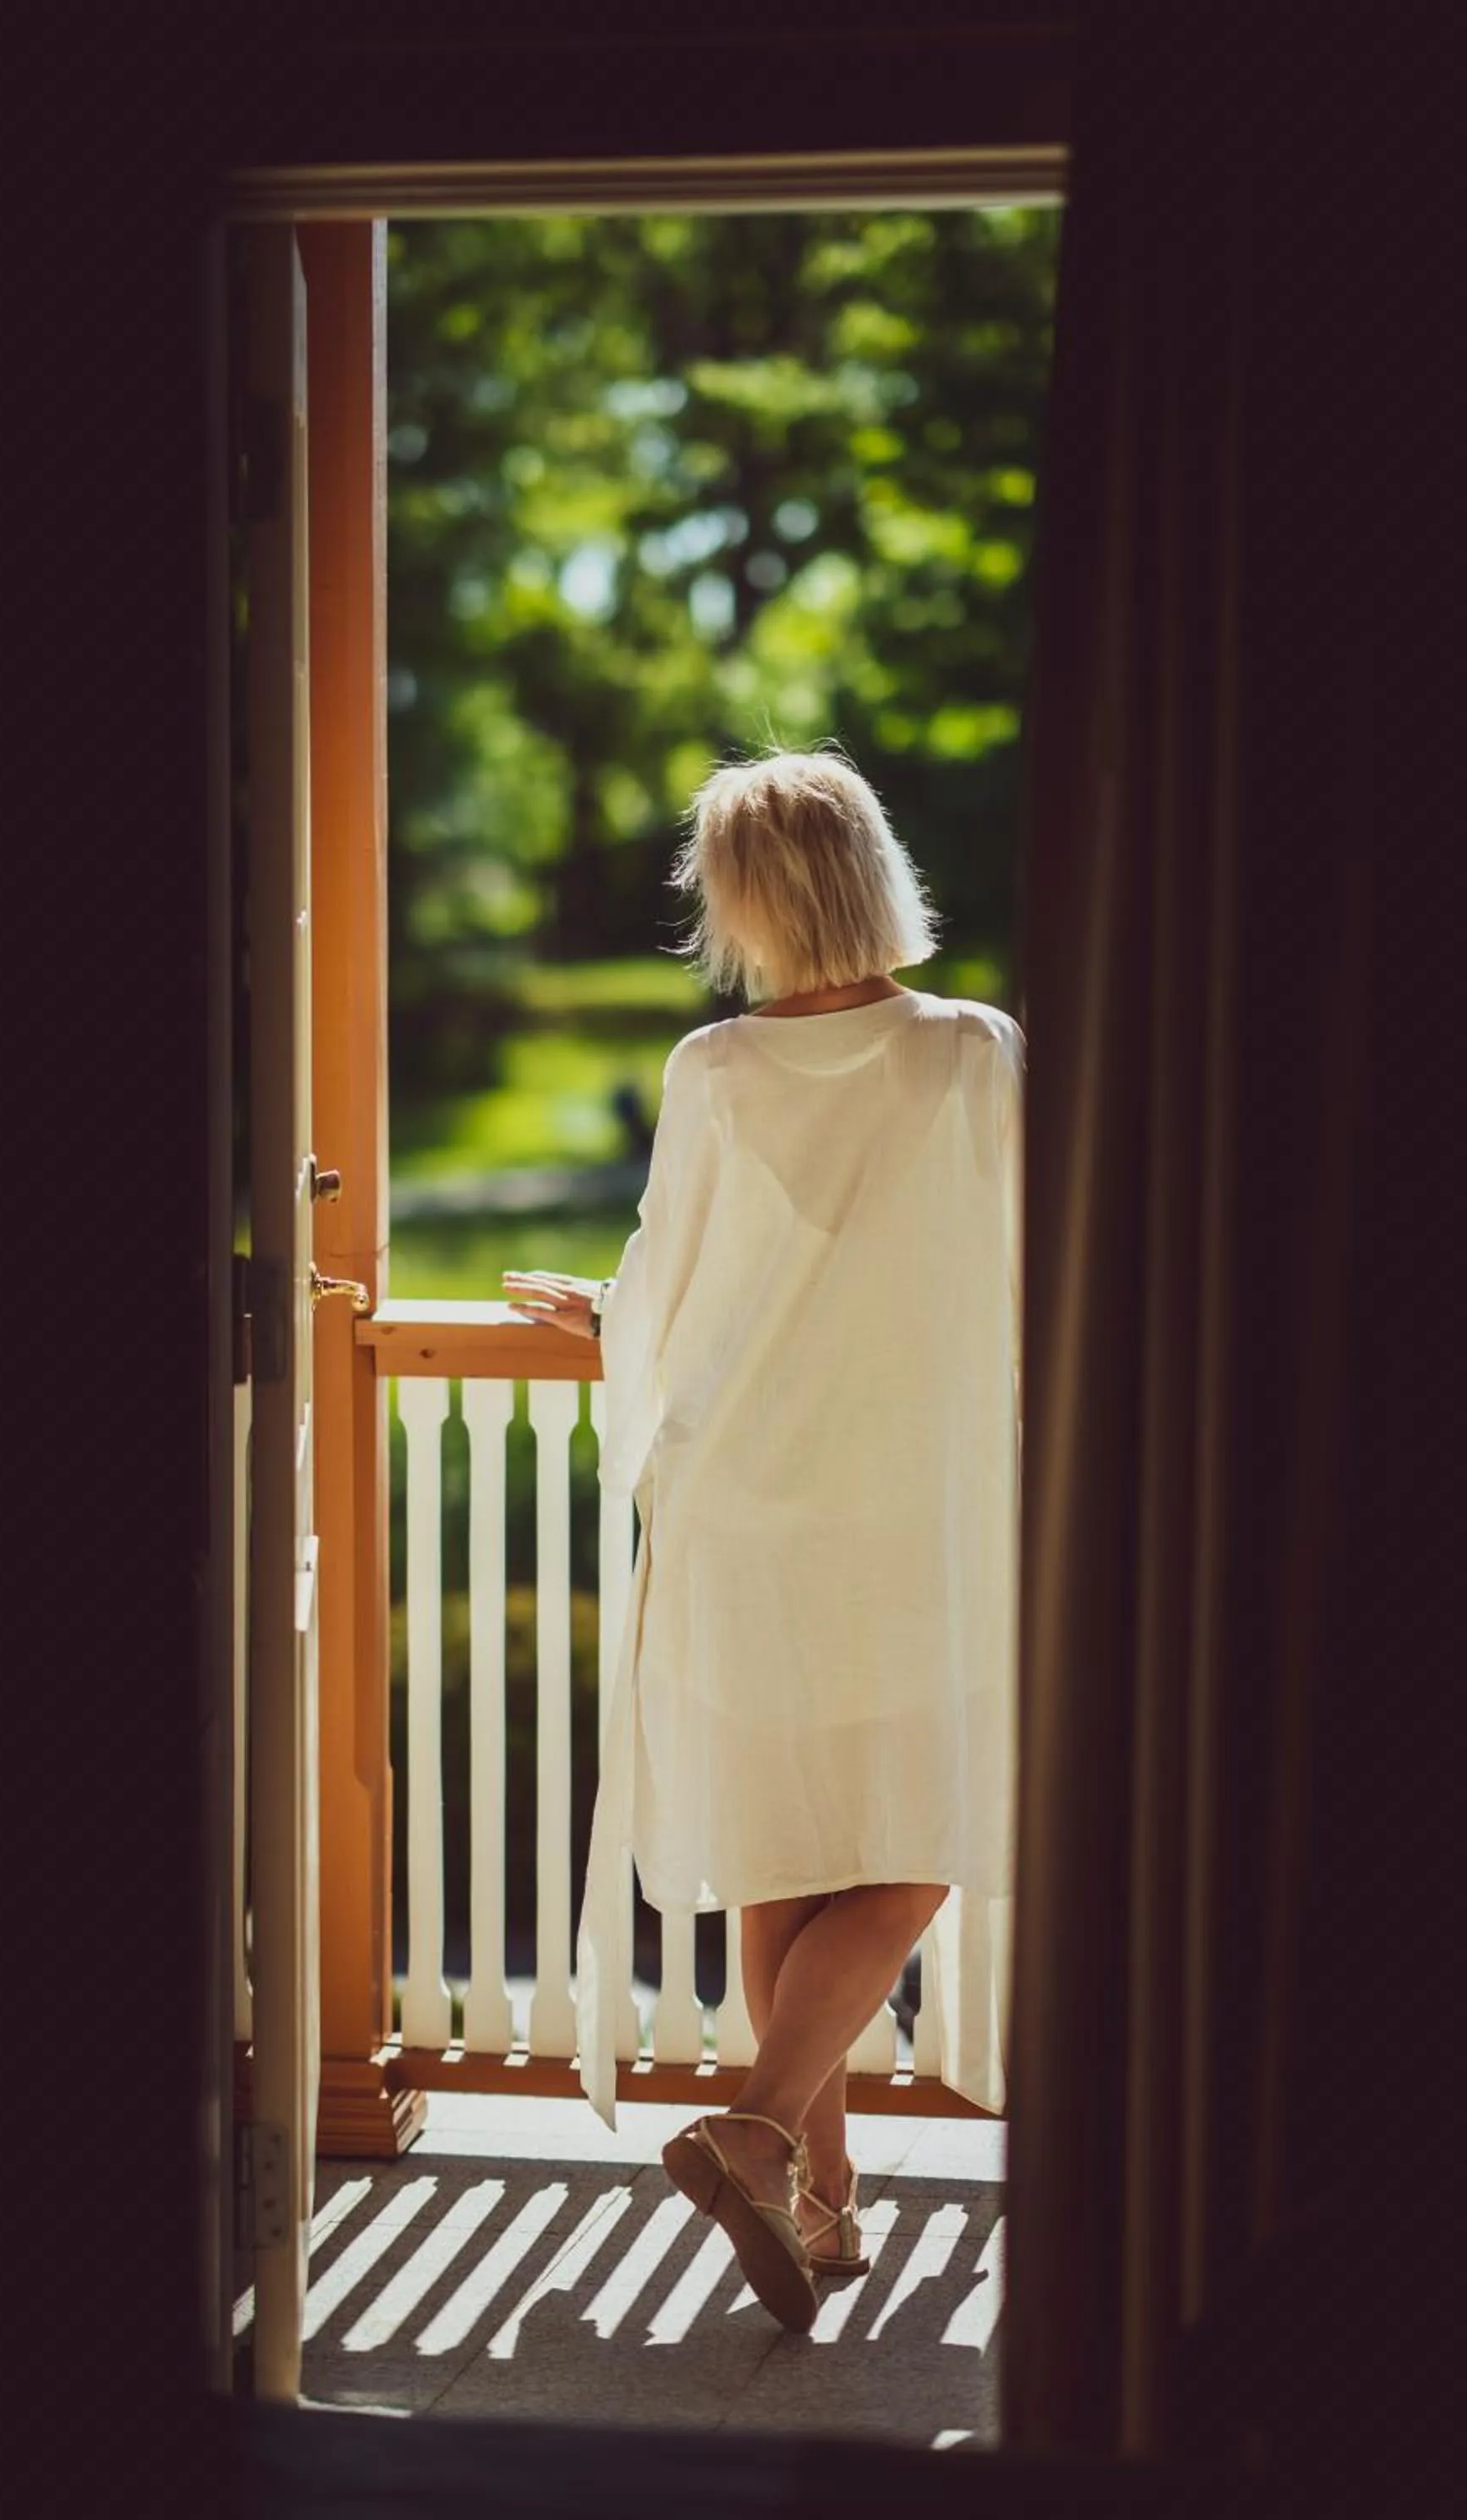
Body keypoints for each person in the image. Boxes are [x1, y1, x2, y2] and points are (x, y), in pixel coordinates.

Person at [504, 748, 1023, 2335]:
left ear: (743, 906)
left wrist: (605, 1315)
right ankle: (770, 2139)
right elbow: (1039, 1270)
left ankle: (815, 2195)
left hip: (743, 1512)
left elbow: (672, 1287)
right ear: (875, 871)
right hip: (911, 1513)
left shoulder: (714, 1070)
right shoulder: (973, 1054)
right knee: (922, 1835)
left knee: (784, 1856)